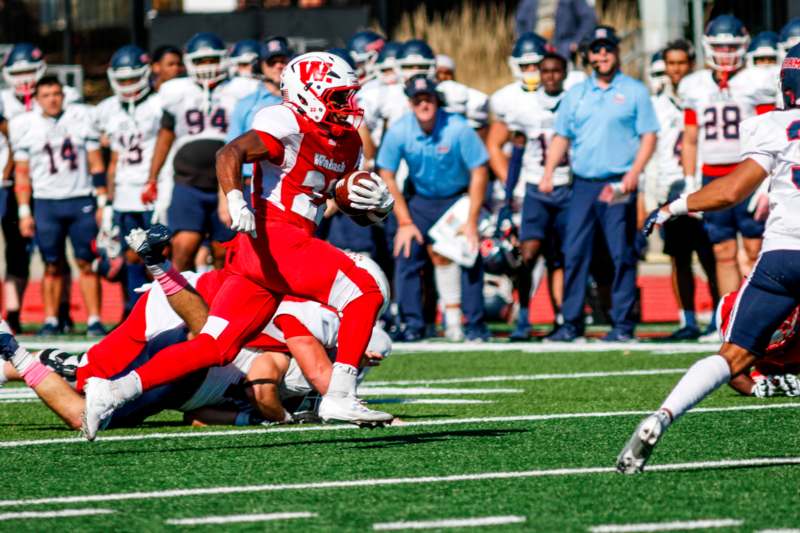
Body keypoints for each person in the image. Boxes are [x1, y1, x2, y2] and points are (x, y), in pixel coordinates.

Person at [82, 51, 396, 440]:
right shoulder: (285, 121)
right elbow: (230, 152)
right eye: (337, 97)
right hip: (277, 237)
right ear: (308, 95)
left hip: (268, 253)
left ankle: (113, 390)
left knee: (216, 346)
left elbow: (336, 198)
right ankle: (340, 394)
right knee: (367, 286)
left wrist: (372, 208)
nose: (347, 106)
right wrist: (234, 198)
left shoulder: (347, 143)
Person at [617, 43, 800, 474]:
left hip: (780, 256)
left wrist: (673, 207)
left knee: (731, 355)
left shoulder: (773, 126)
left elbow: (731, 190)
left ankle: (662, 415)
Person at [541, 25, 658, 342]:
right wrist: (549, 172)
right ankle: (572, 323)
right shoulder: (576, 94)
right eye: (596, 49)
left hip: (617, 183)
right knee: (574, 252)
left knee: (621, 253)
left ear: (616, 52)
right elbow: (562, 136)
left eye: (607, 48)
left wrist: (635, 172)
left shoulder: (634, 90)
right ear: (588, 55)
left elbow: (649, 135)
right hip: (583, 184)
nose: (602, 55)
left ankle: (621, 323)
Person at [679, 16, 777, 332]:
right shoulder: (693, 86)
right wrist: (691, 182)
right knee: (722, 251)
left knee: (754, 249)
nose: (724, 52)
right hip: (711, 175)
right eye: (719, 46)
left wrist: (767, 183)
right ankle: (730, 322)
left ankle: (761, 319)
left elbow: (769, 132)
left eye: (731, 46)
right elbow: (691, 137)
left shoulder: (757, 80)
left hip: (748, 173)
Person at [378, 75, 490, 342]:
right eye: (418, 100)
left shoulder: (458, 127)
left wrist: (472, 219)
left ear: (436, 100)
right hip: (421, 200)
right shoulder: (399, 130)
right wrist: (405, 222)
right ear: (410, 103)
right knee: (406, 250)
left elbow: (479, 170)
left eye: (428, 98)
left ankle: (475, 324)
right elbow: (386, 173)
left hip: (456, 198)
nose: (424, 104)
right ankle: (412, 324)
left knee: (469, 251)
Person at [141, 32, 259, 272]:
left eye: (212, 60)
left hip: (228, 182)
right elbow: (166, 136)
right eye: (200, 61)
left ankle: (218, 304)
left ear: (224, 60)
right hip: (188, 181)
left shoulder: (241, 88)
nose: (207, 67)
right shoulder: (175, 90)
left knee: (224, 250)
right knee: (183, 246)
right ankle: (179, 303)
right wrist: (152, 176)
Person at [487, 33, 571, 341]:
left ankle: (563, 318)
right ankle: (523, 316)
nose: (534, 72)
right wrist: (510, 191)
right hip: (532, 187)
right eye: (527, 66)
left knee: (560, 255)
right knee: (528, 252)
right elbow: (499, 146)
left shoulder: (572, 94)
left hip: (565, 186)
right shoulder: (513, 101)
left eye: (538, 65)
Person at [9, 76, 106, 336]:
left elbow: (97, 164)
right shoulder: (26, 126)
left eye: (56, 93)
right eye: (47, 94)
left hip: (80, 199)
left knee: (86, 262)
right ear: (37, 99)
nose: (52, 99)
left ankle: (94, 319)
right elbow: (21, 174)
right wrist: (24, 211)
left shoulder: (80, 119)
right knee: (51, 264)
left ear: (63, 95)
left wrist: (102, 203)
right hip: (46, 202)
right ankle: (51, 319)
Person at [0, 43, 81, 333]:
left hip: (55, 183)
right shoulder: (3, 100)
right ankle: (13, 313)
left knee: (58, 252)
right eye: (17, 73)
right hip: (12, 184)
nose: (23, 80)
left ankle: (62, 309)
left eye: (28, 72)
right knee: (16, 252)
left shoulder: (63, 96)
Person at [648, 40, 719, 340]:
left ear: (691, 64)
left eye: (681, 63)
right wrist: (651, 193)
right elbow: (653, 151)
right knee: (679, 257)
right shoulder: (657, 104)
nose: (676, 70)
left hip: (704, 185)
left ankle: (719, 317)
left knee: (712, 256)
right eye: (671, 64)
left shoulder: (705, 95)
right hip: (672, 187)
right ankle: (687, 319)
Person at [97, 45, 163, 315]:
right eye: (122, 80)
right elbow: (112, 162)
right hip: (124, 194)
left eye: (131, 78)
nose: (127, 85)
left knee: (158, 256)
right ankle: (135, 311)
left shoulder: (159, 104)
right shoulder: (109, 110)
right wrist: (108, 202)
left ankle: (164, 309)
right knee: (130, 255)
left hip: (152, 191)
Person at [226, 37, 289, 201]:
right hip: (251, 185)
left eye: (283, 60)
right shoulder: (246, 104)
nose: (279, 66)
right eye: (272, 62)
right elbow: (229, 153)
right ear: (261, 66)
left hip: (293, 186)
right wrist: (225, 199)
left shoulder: (304, 102)